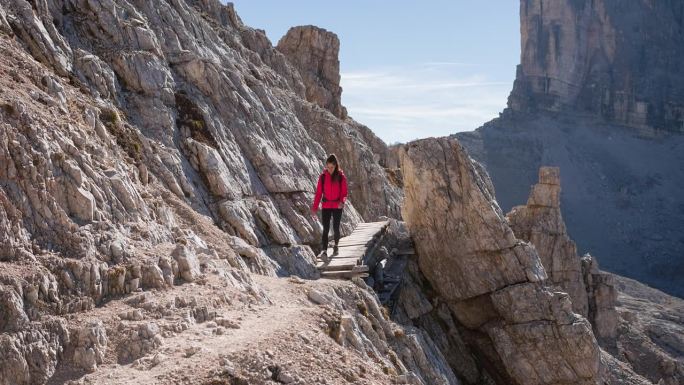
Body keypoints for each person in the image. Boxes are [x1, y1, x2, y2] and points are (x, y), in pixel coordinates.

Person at [311, 154, 348, 260]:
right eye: (328, 167)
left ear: (336, 166)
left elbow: (344, 193)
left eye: (332, 167)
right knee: (326, 229)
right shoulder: (322, 177)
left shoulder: (341, 177)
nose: (330, 169)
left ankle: (336, 245)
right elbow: (318, 194)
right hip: (326, 205)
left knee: (336, 228)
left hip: (337, 205)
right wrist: (314, 208)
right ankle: (324, 251)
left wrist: (342, 202)